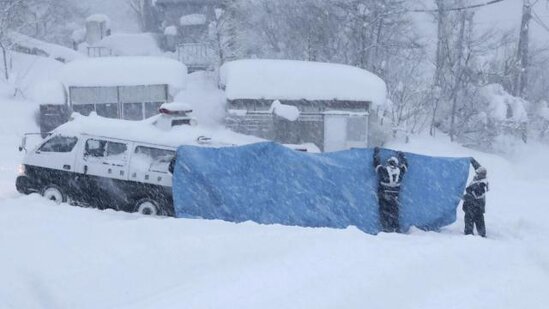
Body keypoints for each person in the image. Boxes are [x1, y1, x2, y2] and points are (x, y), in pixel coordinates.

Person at [373, 147, 408, 233]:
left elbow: (376, 164)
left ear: (388, 163)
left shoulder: (384, 170)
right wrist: (402, 156)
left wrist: (376, 153)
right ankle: (396, 228)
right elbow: (405, 165)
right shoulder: (399, 171)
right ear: (396, 164)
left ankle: (385, 228)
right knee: (394, 214)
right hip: (394, 197)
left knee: (384, 213)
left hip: (383, 195)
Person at [463, 158, 489, 237]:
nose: (476, 174)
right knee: (479, 218)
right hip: (476, 206)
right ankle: (482, 233)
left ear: (481, 175)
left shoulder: (482, 184)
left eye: (478, 174)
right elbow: (478, 167)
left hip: (475, 206)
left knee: (471, 218)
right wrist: (472, 160)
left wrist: (464, 197)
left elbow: (475, 195)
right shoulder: (480, 177)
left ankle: (469, 234)